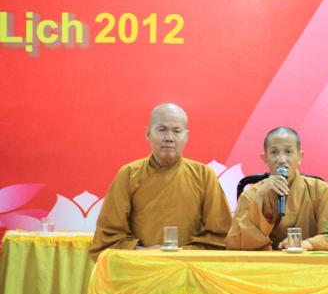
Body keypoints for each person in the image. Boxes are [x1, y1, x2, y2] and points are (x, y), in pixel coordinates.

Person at [89, 103, 232, 261]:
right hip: (142, 267)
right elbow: (108, 237)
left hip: (188, 267)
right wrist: (144, 252)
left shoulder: (204, 175)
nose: (169, 138)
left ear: (186, 136)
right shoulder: (129, 175)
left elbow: (220, 237)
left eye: (176, 131)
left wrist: (180, 255)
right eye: (162, 130)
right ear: (148, 133)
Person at [226, 127, 328, 251]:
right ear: (265, 158)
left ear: (300, 157)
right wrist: (259, 200)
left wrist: (307, 244)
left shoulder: (321, 191)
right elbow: (235, 244)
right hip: (268, 262)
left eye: (288, 152)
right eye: (274, 152)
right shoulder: (250, 196)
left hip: (306, 261)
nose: (282, 160)